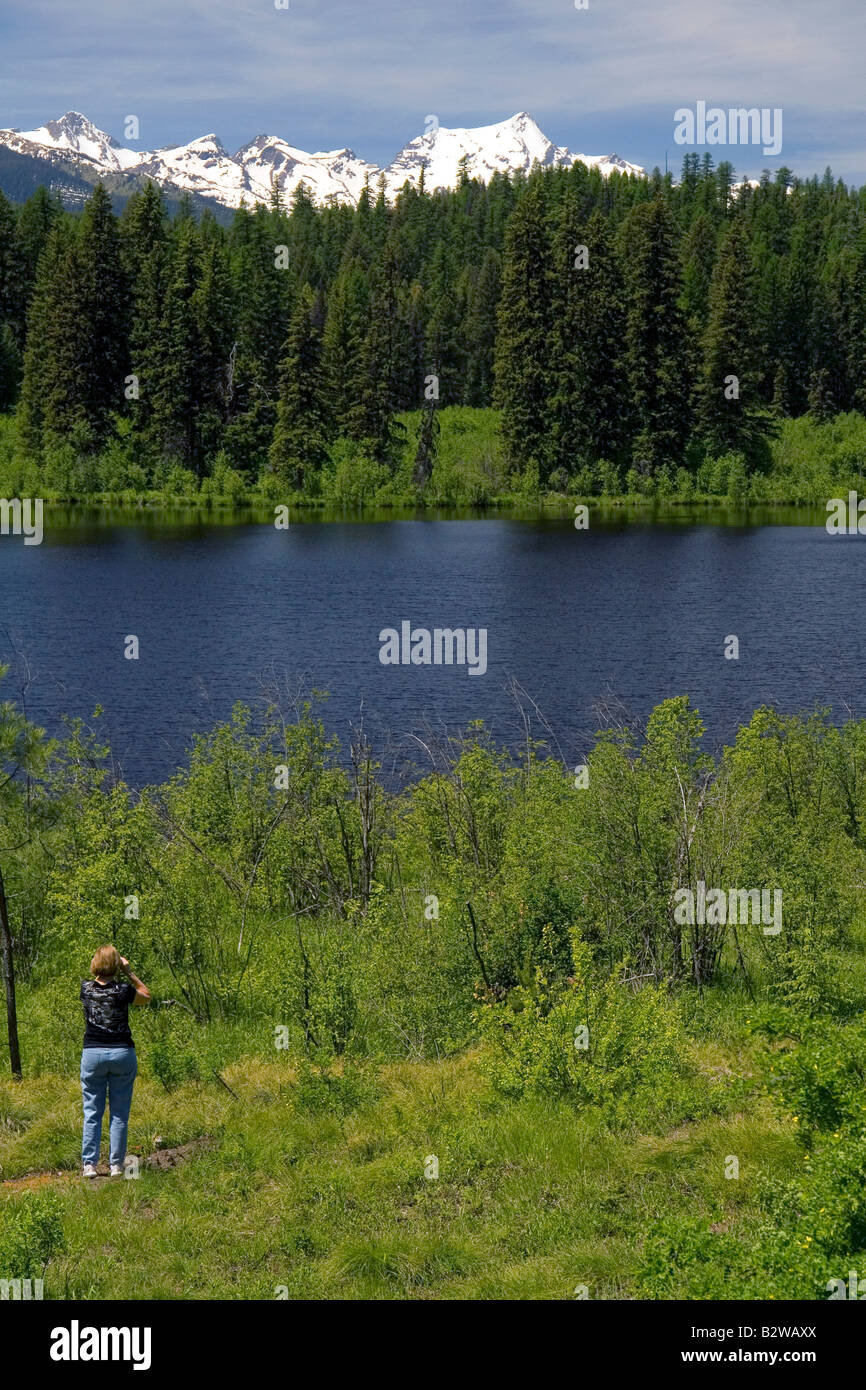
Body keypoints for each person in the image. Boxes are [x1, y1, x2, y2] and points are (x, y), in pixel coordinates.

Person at [80, 945, 151, 1178]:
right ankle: (116, 1165)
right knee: (119, 1112)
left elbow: (97, 979)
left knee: (92, 1111)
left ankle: (89, 1165)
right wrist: (128, 971)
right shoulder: (123, 990)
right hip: (122, 1053)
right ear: (117, 965)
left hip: (93, 1054)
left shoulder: (85, 989)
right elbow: (146, 996)